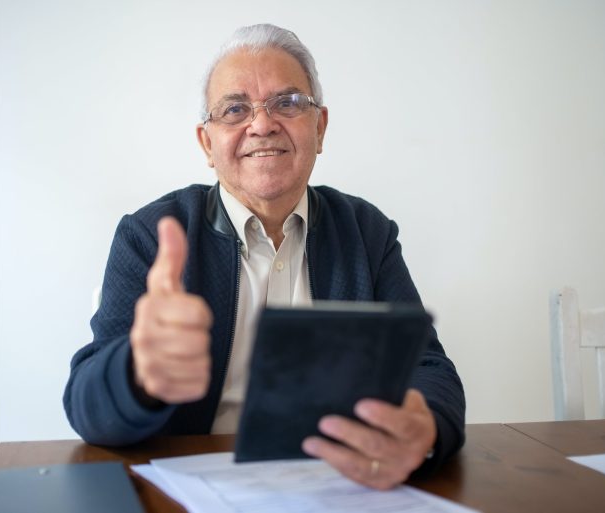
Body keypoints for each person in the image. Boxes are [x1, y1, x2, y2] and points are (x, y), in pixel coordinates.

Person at [64, 23, 465, 490]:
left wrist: (425, 427)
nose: (261, 124)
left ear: (320, 127)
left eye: (288, 103)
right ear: (206, 143)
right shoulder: (150, 236)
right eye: (235, 109)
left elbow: (431, 371)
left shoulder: (366, 231)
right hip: (188, 491)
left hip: (341, 485)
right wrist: (137, 372)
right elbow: (85, 403)